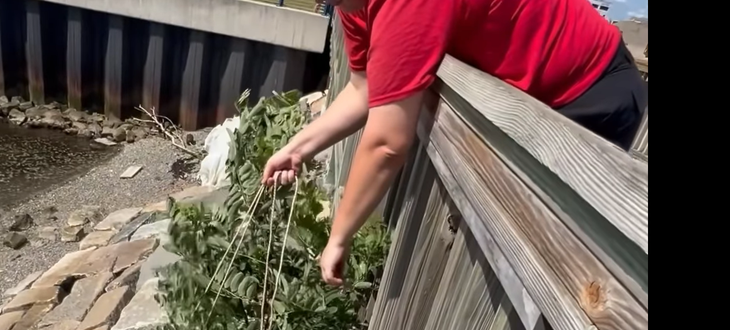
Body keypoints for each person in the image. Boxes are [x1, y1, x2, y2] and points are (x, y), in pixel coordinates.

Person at [262, 0, 648, 286]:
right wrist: (298, 148)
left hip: (592, 93)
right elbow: (364, 88)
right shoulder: (353, 4)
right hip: (549, 95)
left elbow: (387, 143)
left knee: (567, 269)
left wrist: (339, 237)